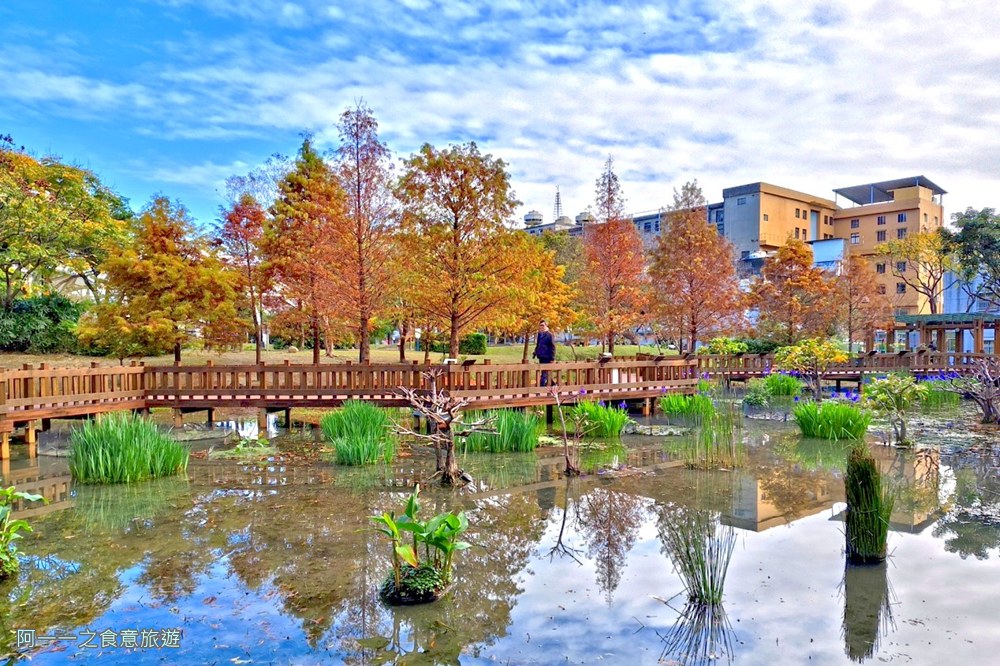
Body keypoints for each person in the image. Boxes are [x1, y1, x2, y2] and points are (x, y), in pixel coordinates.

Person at [532, 320, 556, 386]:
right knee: (545, 372)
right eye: (540, 325)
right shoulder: (540, 334)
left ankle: (541, 386)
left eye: (543, 325)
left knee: (544, 372)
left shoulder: (549, 335)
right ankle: (554, 385)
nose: (541, 327)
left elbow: (553, 347)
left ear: (546, 325)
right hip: (541, 356)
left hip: (547, 356)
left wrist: (552, 358)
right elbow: (538, 344)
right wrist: (535, 352)